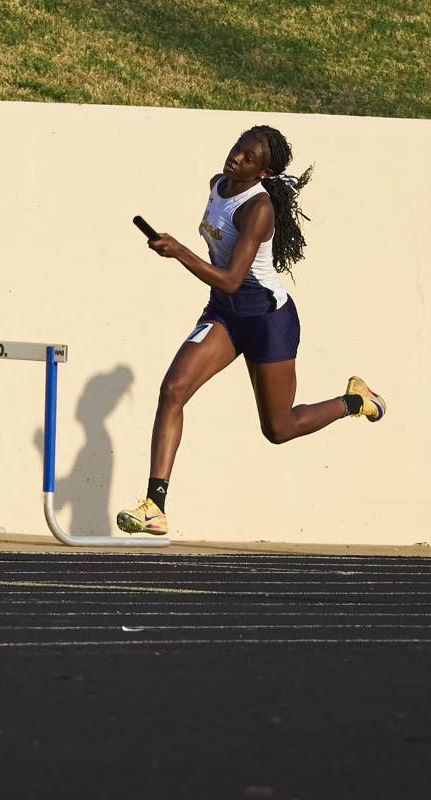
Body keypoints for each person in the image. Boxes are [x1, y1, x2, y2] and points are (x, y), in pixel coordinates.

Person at [116, 125, 385, 536]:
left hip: (266, 320)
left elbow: (230, 277)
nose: (236, 158)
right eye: (237, 148)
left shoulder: (257, 210)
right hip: (224, 314)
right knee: (173, 390)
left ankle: (354, 400)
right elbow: (224, 289)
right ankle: (155, 505)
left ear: (263, 172)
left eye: (248, 158)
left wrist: (179, 252)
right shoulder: (217, 183)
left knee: (279, 429)